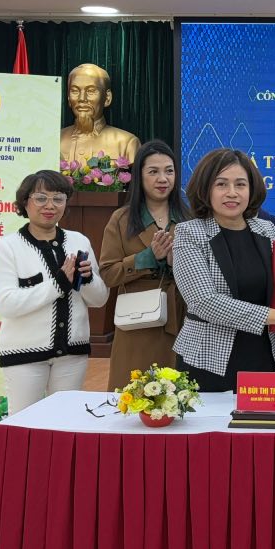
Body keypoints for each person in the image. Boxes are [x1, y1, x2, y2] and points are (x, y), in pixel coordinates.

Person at [171, 149, 275, 392]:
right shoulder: (189, 233)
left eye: (240, 184)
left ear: (252, 189)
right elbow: (203, 302)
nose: (232, 193)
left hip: (265, 354)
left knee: (260, 428)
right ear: (205, 189)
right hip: (209, 360)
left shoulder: (267, 230)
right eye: (221, 184)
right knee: (213, 429)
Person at [0, 170, 109, 413]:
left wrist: (86, 279)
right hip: (23, 355)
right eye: (41, 198)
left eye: (58, 198)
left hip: (72, 354)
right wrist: (59, 283)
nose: (50, 205)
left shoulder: (79, 241)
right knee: (25, 426)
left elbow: (99, 299)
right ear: (25, 202)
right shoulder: (8, 247)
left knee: (65, 423)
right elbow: (7, 304)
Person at [100, 140, 190, 390]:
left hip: (181, 321)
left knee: (180, 399)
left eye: (169, 171)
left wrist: (176, 264)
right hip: (137, 323)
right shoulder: (122, 219)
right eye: (154, 172)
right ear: (140, 176)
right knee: (134, 397)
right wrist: (146, 258)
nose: (163, 178)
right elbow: (107, 274)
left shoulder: (189, 218)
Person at [59, 63, 140, 164]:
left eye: (91, 91)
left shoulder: (127, 143)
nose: (82, 98)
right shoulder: (54, 140)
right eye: (75, 91)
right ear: (68, 98)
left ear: (107, 98)